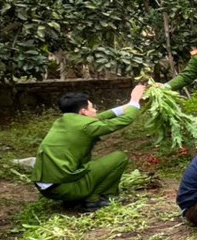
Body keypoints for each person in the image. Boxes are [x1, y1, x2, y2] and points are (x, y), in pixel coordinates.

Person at [32, 84, 147, 212]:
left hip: (49, 186)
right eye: (92, 107)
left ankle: (74, 200)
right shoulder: (86, 127)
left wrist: (129, 105)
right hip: (63, 187)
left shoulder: (65, 121)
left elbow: (101, 117)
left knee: (90, 165)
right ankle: (94, 199)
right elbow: (125, 120)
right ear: (83, 112)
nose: (96, 110)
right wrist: (134, 100)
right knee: (119, 158)